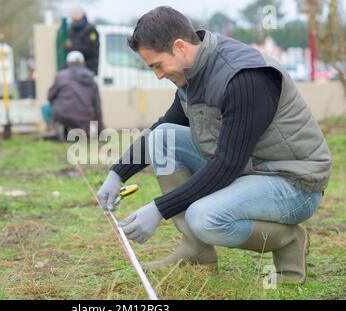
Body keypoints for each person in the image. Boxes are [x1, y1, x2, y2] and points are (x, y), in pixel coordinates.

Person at [97, 6, 332, 285]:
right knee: (163, 138)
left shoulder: (243, 77)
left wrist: (159, 209)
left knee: (204, 217)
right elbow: (165, 125)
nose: (158, 75)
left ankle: (289, 241)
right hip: (250, 168)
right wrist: (117, 173)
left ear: (180, 47)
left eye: (158, 65)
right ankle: (196, 250)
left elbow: (226, 165)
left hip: (293, 183)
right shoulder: (193, 71)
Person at [48, 51, 104, 137]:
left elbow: (50, 96)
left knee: (46, 107)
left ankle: (54, 132)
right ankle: (84, 132)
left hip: (63, 115)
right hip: (84, 117)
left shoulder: (61, 76)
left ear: (68, 63)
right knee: (88, 108)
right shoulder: (91, 79)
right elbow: (97, 106)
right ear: (83, 62)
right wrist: (100, 129)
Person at [66, 7, 100, 75]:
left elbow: (90, 49)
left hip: (88, 68)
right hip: (75, 68)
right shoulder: (72, 29)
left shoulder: (90, 30)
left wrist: (71, 47)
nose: (74, 22)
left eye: (76, 21)